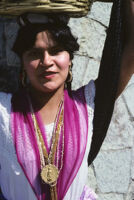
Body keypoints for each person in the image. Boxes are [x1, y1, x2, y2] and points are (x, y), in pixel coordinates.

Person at [0, 0, 134, 200]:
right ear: (23, 63)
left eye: (55, 51)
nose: (46, 62)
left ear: (69, 59)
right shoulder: (4, 111)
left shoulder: (87, 105)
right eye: (35, 53)